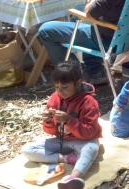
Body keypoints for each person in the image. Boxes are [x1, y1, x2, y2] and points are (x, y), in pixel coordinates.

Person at [21, 61, 101, 189]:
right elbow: (52, 131)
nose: (60, 91)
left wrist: (69, 120)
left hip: (83, 141)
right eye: (56, 87)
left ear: (78, 83)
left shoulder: (89, 102)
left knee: (91, 148)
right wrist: (48, 121)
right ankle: (68, 159)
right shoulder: (55, 98)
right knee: (27, 150)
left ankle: (73, 178)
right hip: (62, 141)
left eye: (64, 87)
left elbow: (90, 132)